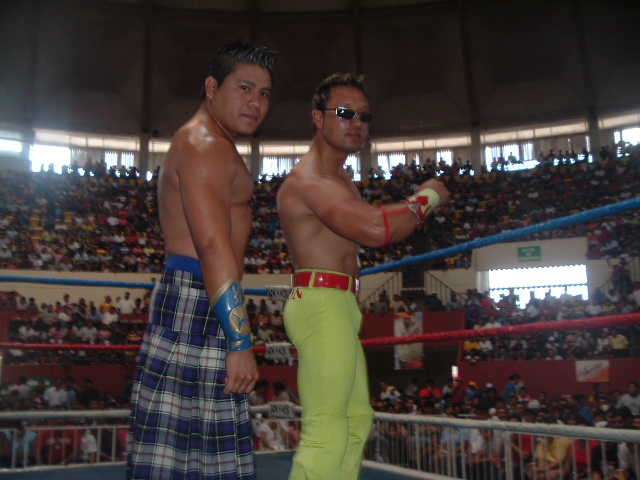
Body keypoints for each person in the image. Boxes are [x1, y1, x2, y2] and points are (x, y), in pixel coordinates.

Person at [276, 72, 450, 480]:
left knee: (357, 422)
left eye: (364, 116)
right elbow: (376, 229)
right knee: (326, 432)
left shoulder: (341, 180)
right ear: (318, 117)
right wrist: (430, 195)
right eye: (344, 113)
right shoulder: (312, 180)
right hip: (321, 305)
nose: (357, 123)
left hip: (339, 305)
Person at [128, 40, 277, 480]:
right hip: (201, 296)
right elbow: (212, 246)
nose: (256, 102)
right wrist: (240, 342)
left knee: (189, 456)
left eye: (264, 93)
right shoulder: (205, 144)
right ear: (212, 87)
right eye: (244, 87)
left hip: (202, 296)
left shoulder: (209, 142)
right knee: (192, 459)